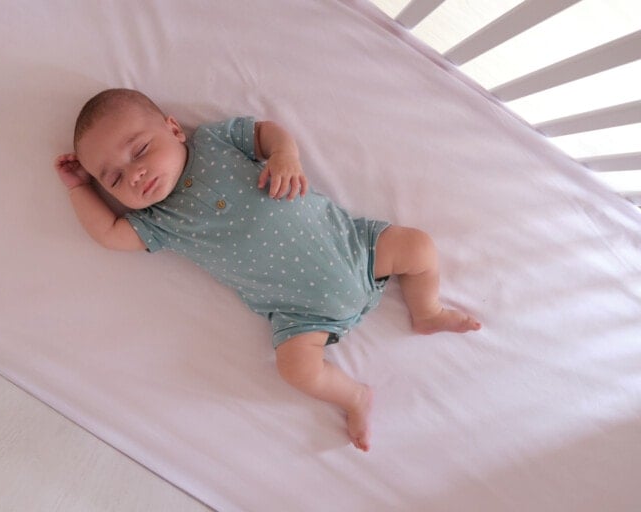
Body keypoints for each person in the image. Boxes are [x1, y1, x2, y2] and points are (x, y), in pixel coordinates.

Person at [54, 88, 481, 452]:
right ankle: (354, 397)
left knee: (419, 247)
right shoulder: (159, 222)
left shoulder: (215, 142)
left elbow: (265, 131)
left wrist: (285, 155)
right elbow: (109, 232)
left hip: (357, 248)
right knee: (296, 369)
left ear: (173, 128)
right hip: (301, 314)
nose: (135, 174)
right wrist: (78, 188)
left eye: (140, 150)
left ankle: (426, 311)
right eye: (113, 179)